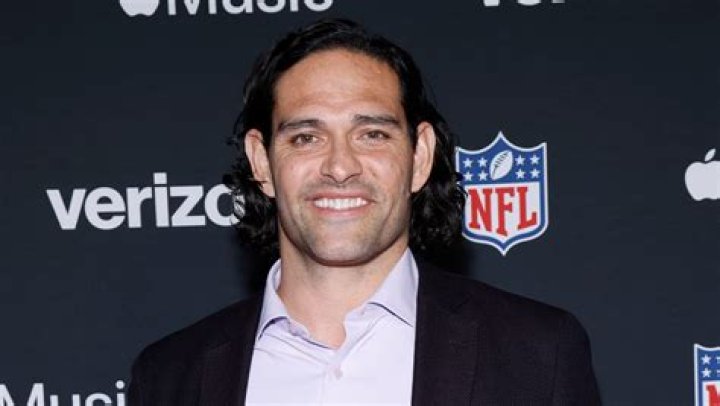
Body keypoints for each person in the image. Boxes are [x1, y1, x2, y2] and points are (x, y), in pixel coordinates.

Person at [128, 18, 601, 405]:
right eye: (306, 137)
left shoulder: (538, 353)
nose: (340, 167)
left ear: (419, 157)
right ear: (262, 162)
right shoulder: (170, 377)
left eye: (372, 135)